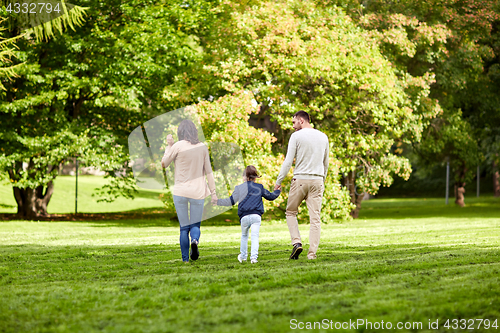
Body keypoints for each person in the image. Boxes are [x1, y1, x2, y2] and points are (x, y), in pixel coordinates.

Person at [275, 110, 329, 260]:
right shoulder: (323, 137)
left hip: (300, 180)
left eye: (294, 122)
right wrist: (321, 181)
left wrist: (278, 181)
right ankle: (312, 255)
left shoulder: (296, 136)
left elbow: (288, 162)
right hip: (317, 180)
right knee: (315, 219)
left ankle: (297, 242)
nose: (293, 126)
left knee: (290, 212)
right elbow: (326, 163)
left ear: (301, 120)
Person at [161, 119, 218, 263]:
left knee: (183, 228)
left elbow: (164, 164)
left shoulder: (177, 146)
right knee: (195, 225)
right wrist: (213, 192)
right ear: (194, 131)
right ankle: (195, 240)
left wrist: (168, 146)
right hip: (198, 192)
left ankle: (185, 260)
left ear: (180, 132)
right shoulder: (202, 147)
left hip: (180, 192)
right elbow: (209, 172)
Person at [216, 166, 281, 263]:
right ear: (255, 177)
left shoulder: (239, 188)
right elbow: (271, 197)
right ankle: (254, 258)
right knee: (255, 237)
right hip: (256, 216)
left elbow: (231, 201)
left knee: (244, 236)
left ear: (244, 177)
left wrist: (218, 201)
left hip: (244, 216)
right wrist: (277, 191)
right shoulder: (259, 187)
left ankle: (243, 257)